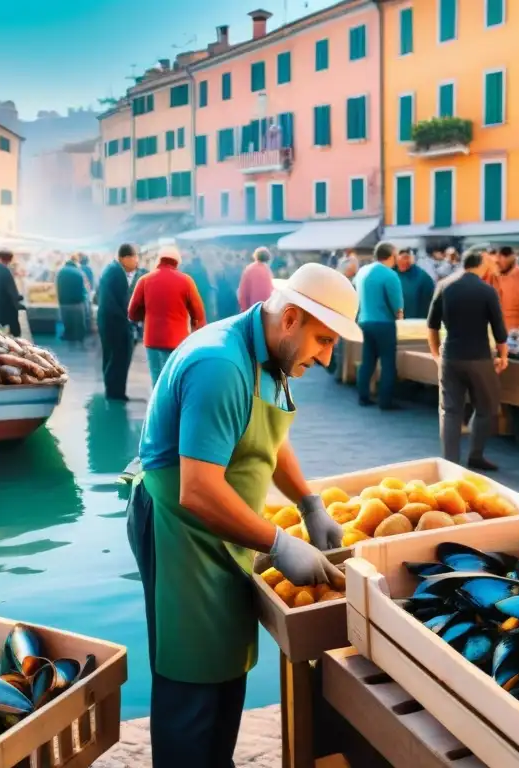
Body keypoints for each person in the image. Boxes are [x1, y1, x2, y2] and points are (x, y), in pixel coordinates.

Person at [127, 263, 359, 768]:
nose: (326, 357)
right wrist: (278, 543)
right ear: (292, 317)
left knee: (227, 660)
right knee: (191, 671)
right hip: (180, 529)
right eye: (323, 341)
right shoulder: (220, 366)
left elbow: (268, 441)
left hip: (228, 526)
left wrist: (308, 502)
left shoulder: (271, 356)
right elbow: (198, 490)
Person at [427, 247, 508, 471]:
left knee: (450, 411)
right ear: (481, 261)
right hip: (479, 357)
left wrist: (436, 354)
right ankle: (476, 455)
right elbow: (499, 330)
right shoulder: (486, 290)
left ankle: (450, 462)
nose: (493, 262)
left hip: (451, 357)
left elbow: (432, 325)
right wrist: (503, 355)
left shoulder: (444, 286)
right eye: (490, 259)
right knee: (486, 407)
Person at [129, 246, 207, 387]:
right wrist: (196, 333)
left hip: (152, 338)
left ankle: (158, 408)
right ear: (177, 262)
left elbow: (132, 312)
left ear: (158, 260)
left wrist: (146, 317)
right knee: (173, 379)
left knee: (156, 379)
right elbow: (198, 314)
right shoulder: (186, 281)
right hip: (177, 339)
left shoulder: (145, 280)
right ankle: (172, 408)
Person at [354, 241, 404, 409]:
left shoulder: (362, 272)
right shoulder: (390, 275)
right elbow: (396, 302)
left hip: (364, 320)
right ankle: (386, 401)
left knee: (367, 360)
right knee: (388, 363)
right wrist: (400, 316)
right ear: (391, 256)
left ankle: (363, 396)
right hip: (384, 323)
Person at [98, 243, 140, 401]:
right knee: (119, 357)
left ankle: (112, 390)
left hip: (109, 322)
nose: (136, 262)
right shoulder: (117, 273)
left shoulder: (112, 269)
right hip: (116, 323)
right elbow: (121, 303)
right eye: (134, 258)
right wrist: (130, 320)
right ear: (125, 258)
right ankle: (115, 393)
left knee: (111, 357)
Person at [0, 250, 24, 337]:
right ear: (10, 260)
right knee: (4, 330)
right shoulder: (5, 271)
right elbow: (11, 291)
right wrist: (18, 299)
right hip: (3, 306)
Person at [395, 247, 435, 319]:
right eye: (400, 258)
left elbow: (432, 305)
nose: (404, 261)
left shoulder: (423, 278)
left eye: (406, 258)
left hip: (416, 323)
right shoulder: (390, 274)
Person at [56, 255, 89, 343]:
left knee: (67, 322)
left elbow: (58, 287)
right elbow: (84, 288)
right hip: (77, 302)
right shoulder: (79, 272)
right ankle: (80, 338)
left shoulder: (61, 271)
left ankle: (68, 336)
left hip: (64, 302)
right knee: (79, 323)